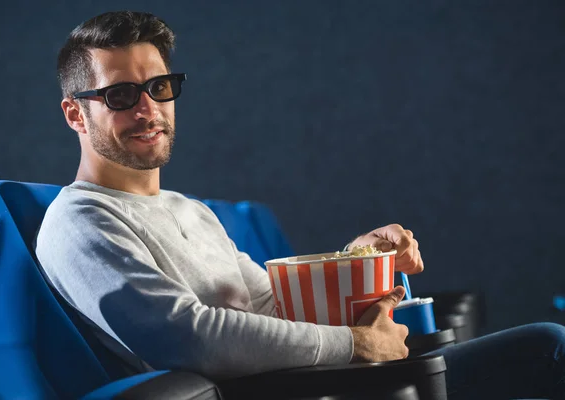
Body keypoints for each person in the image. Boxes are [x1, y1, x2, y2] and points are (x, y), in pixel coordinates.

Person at [36, 11, 565, 399]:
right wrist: (355, 344)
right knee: (548, 347)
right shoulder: (79, 219)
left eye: (158, 86)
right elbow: (187, 339)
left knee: (547, 345)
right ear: (75, 115)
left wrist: (356, 260)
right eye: (121, 95)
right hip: (282, 392)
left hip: (319, 380)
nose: (148, 108)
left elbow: (276, 306)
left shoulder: (187, 209)